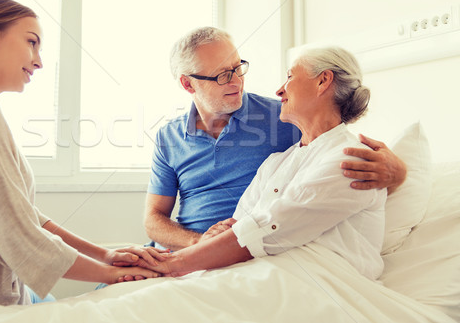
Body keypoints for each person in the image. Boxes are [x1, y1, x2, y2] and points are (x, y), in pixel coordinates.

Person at [0, 0, 163, 306]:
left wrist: (105, 255)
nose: (39, 61)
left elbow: (17, 210)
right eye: (31, 42)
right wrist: (110, 274)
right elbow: (17, 233)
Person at [144, 27, 406, 251]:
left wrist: (398, 172)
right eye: (223, 75)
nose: (236, 82)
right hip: (185, 249)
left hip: (238, 252)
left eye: (238, 68)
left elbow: (338, 146)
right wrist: (197, 244)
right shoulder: (169, 136)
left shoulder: (285, 116)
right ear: (188, 84)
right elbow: (154, 219)